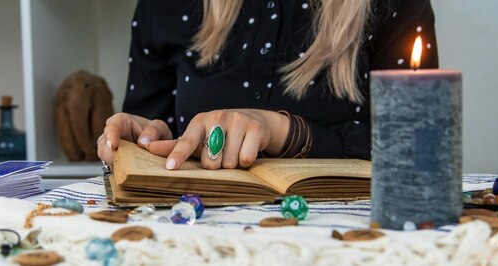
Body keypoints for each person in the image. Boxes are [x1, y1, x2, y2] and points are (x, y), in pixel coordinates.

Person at [97, 0, 438, 170]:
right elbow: (158, 132)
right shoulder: (166, 6)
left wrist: (287, 132)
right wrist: (139, 141)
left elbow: (420, 154)